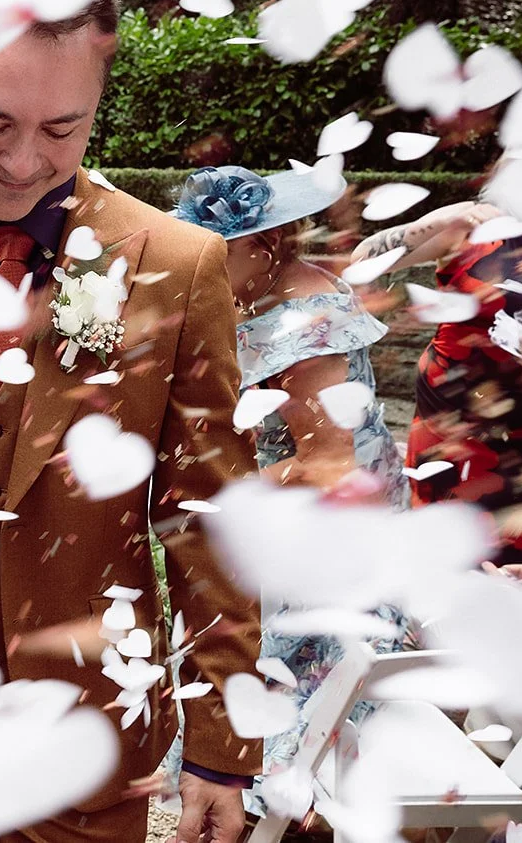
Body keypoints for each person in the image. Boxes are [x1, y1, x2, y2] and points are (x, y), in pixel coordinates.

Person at [0, 0, 263, 843]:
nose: (24, 161)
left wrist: (222, 747)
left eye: (63, 129)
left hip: (88, 725)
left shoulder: (180, 267)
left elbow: (208, 515)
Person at [173, 164, 410, 772]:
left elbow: (324, 464)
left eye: (219, 251)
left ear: (267, 242)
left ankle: (271, 786)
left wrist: (219, 495)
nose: (205, 265)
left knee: (296, 695)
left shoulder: (306, 325)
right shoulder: (276, 288)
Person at [354, 191, 522, 566]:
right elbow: (362, 261)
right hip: (449, 435)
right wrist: (440, 224)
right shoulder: (476, 222)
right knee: (444, 562)